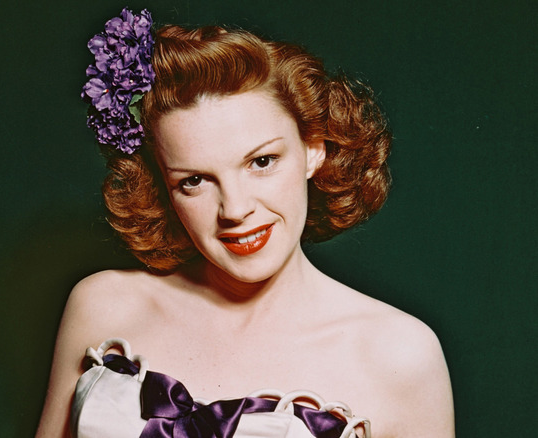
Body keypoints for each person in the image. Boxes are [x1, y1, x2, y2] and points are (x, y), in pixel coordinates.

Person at [36, 8, 454, 438]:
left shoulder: (399, 354)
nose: (234, 209)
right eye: (194, 181)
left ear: (314, 149)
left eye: (262, 161)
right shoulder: (103, 307)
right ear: (162, 186)